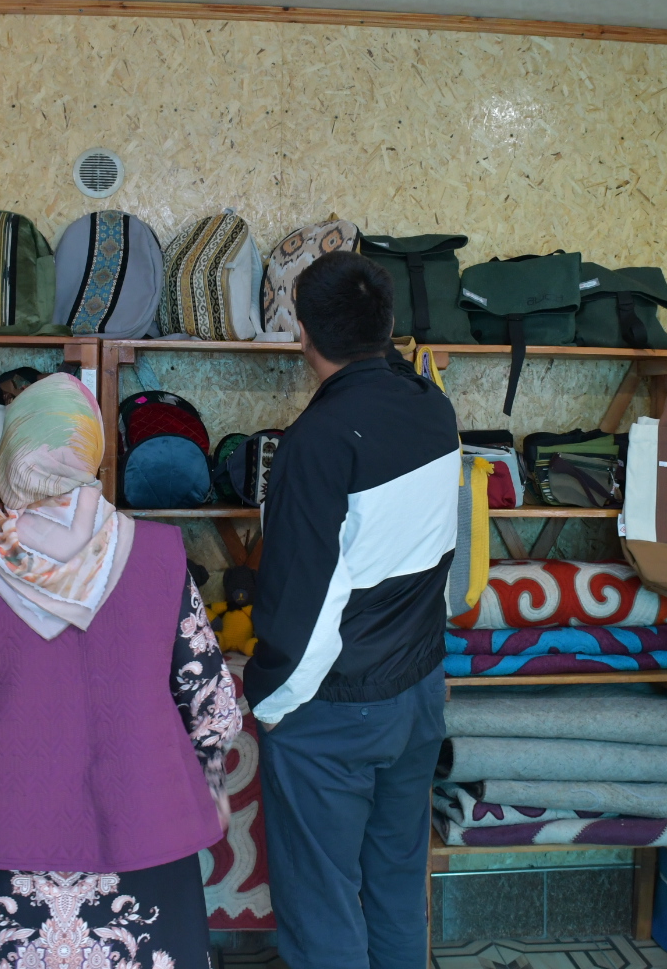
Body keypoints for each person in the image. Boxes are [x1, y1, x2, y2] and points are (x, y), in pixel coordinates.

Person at [0, 373, 240, 969]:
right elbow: (209, 702)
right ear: (89, 449)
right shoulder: (160, 552)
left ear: (13, 450)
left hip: (3, 821)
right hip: (143, 820)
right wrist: (201, 773)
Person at [247, 251, 460, 969]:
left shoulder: (316, 443)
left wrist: (271, 702)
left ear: (303, 333)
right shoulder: (434, 406)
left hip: (335, 709)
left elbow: (299, 604)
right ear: (387, 324)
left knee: (324, 906)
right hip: (419, 689)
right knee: (397, 885)